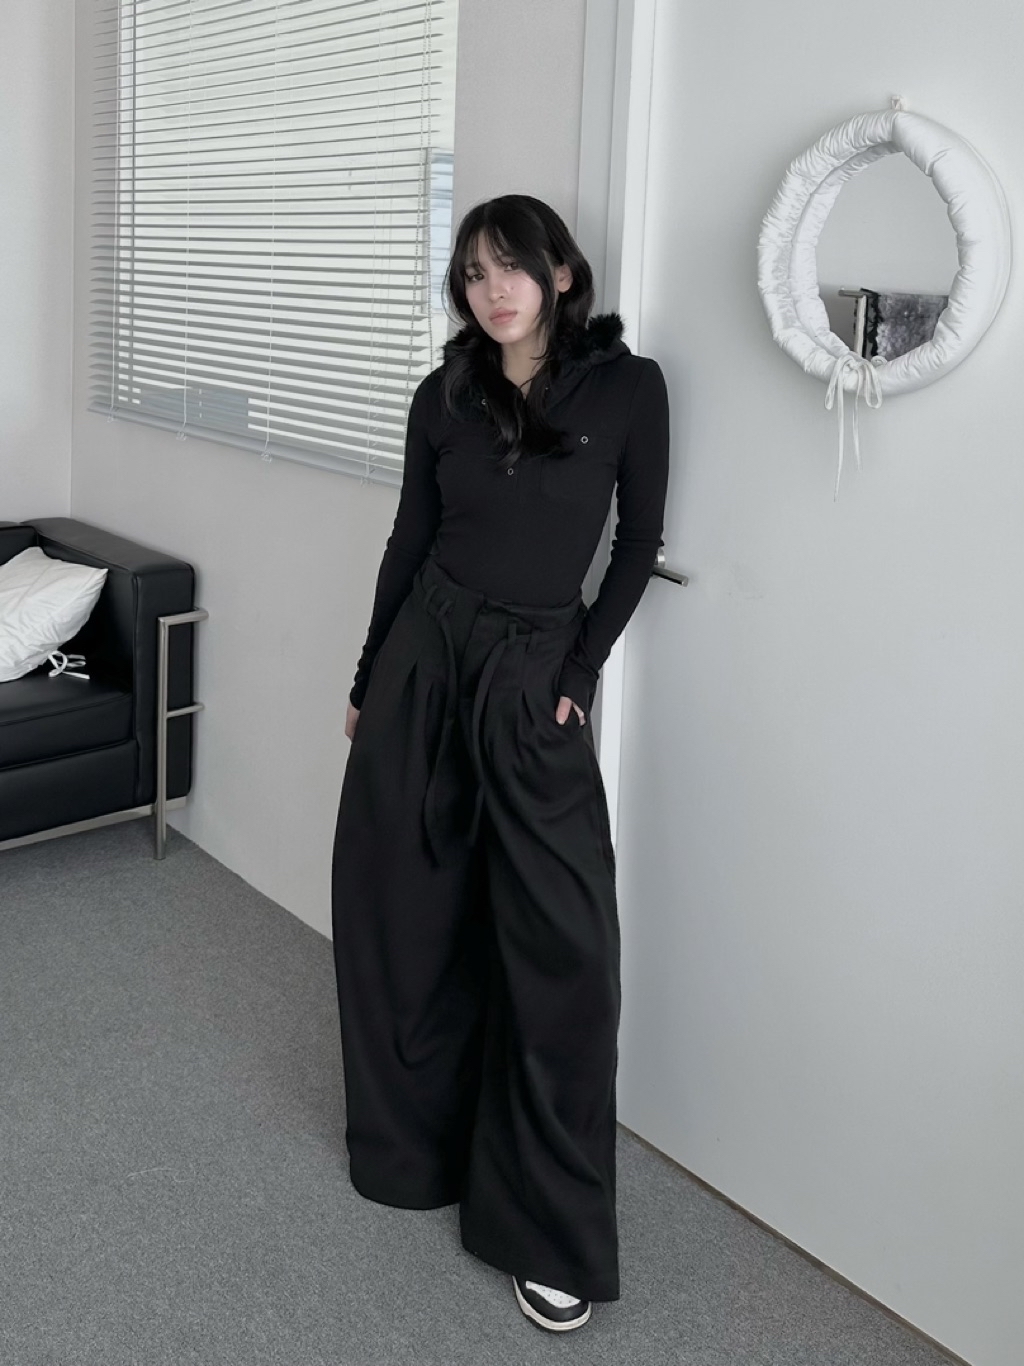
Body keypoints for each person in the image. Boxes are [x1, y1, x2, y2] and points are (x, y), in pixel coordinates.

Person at [331, 193, 670, 1333]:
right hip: (427, 651)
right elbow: (409, 538)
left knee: (565, 946)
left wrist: (579, 668)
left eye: (512, 265)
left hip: (532, 671)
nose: (493, 289)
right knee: (401, 904)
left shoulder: (628, 390)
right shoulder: (444, 393)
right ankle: (414, 1148)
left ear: (561, 273)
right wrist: (369, 676)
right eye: (473, 272)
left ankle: (547, 1230)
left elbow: (638, 543)